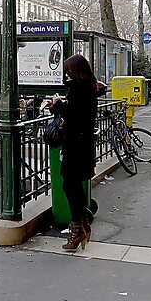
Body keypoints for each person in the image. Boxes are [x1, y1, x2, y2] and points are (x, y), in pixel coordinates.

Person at [46, 54, 98, 252]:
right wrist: (60, 107)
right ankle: (82, 225)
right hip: (83, 143)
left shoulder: (79, 89)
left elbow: (75, 116)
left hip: (76, 144)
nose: (67, 74)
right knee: (74, 185)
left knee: (70, 185)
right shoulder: (90, 86)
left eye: (69, 71)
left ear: (75, 71)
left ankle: (78, 230)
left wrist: (58, 106)